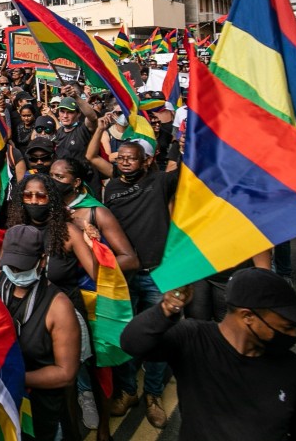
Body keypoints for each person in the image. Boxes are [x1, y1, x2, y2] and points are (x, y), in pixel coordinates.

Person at [121, 268, 296, 440]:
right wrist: (166, 309)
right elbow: (132, 343)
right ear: (248, 316)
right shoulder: (194, 339)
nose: (293, 335)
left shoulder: (292, 369)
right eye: (287, 326)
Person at [86, 120, 179, 428]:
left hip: (156, 275)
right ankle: (128, 391)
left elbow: (190, 170)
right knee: (125, 336)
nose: (125, 162)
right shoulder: (112, 186)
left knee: (156, 338)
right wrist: (99, 128)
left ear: (147, 161)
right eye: (121, 157)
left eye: (132, 158)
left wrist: (182, 139)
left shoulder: (160, 182)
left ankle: (153, 394)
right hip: (123, 276)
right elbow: (91, 158)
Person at [0, 225, 80, 441]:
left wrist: (12, 378)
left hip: (39, 407)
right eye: (11, 266)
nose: (15, 273)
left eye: (22, 267)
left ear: (42, 261)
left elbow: (66, 373)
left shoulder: (59, 307)